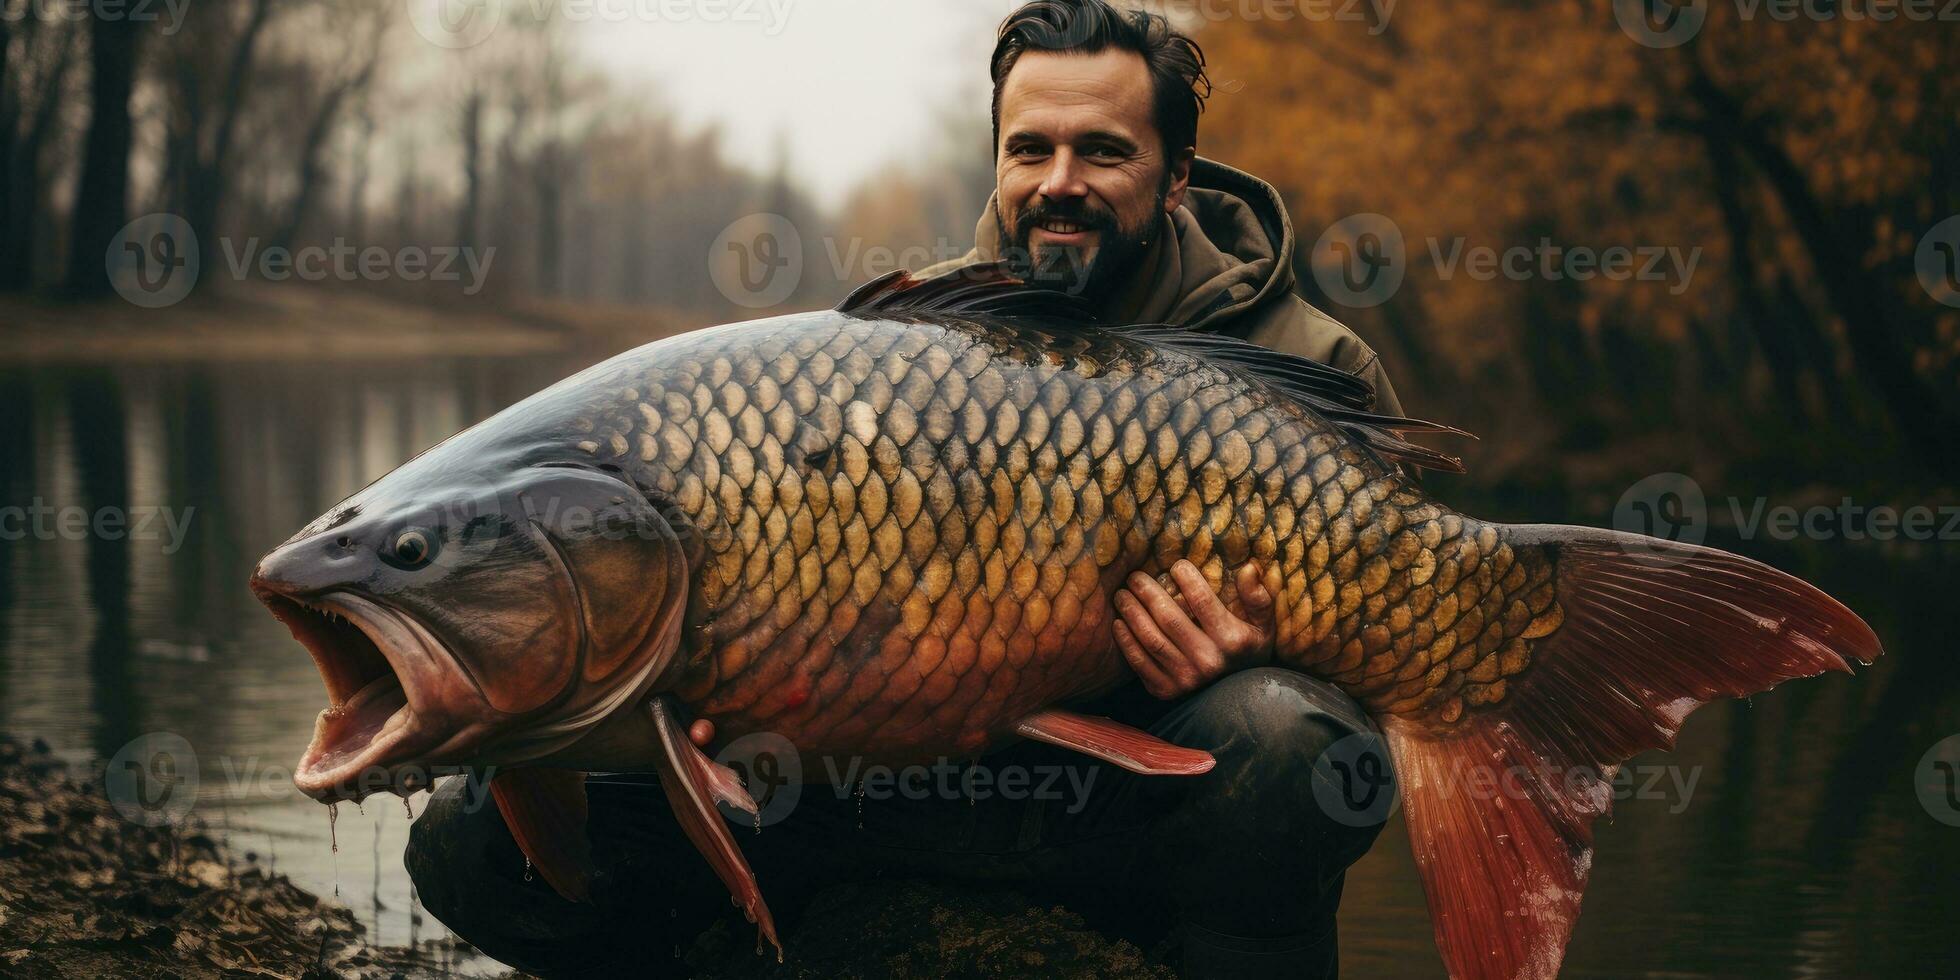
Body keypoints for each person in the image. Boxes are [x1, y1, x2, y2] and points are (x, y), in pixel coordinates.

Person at [408, 2, 1399, 976]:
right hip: (873, 790)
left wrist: (1258, 648)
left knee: (1284, 740)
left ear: (1176, 173)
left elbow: (1384, 681)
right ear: (998, 159)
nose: (1059, 183)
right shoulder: (904, 354)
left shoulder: (1304, 362)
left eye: (1101, 150)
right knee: (471, 834)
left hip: (1124, 804)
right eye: (1029, 149)